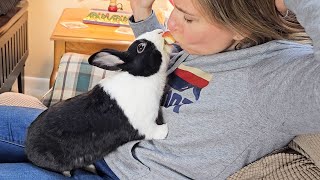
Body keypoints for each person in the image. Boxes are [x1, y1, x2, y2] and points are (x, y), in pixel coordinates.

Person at [0, 0, 319, 179]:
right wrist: (142, 14)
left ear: (242, 27)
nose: (172, 25)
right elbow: (153, 63)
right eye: (175, 7)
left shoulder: (282, 79)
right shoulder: (210, 43)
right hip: (97, 140)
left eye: (188, 18)